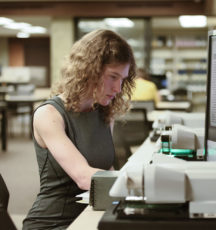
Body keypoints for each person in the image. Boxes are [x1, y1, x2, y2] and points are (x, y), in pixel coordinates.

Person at [22, 29, 136, 230]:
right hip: (54, 222)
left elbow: (107, 171)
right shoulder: (49, 114)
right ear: (88, 70)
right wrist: (142, 184)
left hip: (92, 214)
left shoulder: (104, 113)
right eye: (112, 76)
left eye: (123, 79)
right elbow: (84, 177)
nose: (118, 88)